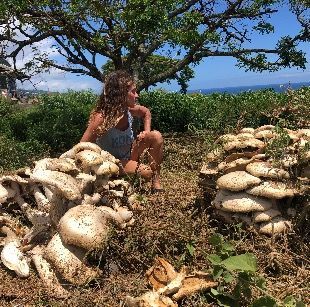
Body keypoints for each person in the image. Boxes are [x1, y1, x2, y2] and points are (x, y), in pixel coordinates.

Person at [81, 70, 164, 192]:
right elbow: (81, 147)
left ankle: (156, 182)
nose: (137, 96)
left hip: (129, 156)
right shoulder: (101, 118)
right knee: (146, 172)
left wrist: (146, 131)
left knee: (156, 136)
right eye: (133, 92)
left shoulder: (128, 110)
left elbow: (146, 112)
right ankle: (120, 179)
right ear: (121, 94)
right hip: (111, 163)